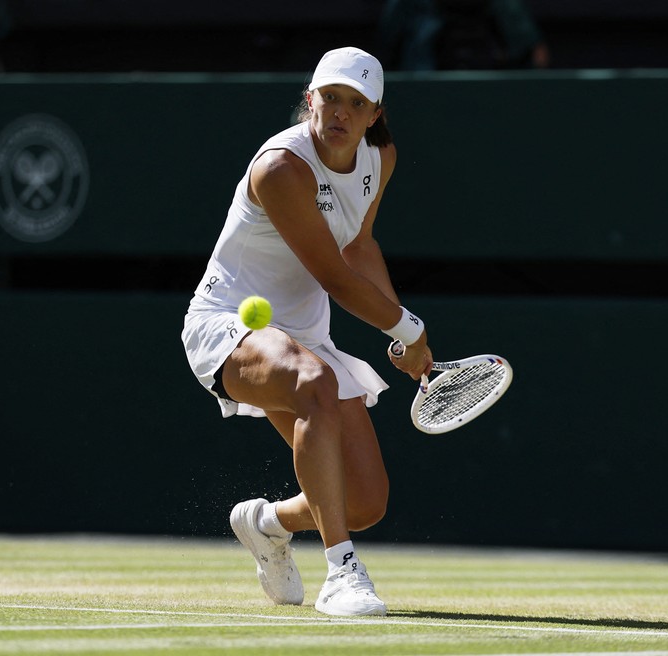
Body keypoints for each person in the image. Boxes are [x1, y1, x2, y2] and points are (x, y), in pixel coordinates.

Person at [181, 46, 433, 617]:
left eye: (356, 103)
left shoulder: (380, 158)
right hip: (227, 326)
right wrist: (410, 328)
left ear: (374, 114)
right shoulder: (281, 168)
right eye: (331, 98)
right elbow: (334, 277)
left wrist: (405, 340)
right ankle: (342, 573)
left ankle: (265, 523)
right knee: (313, 380)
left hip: (305, 339)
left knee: (365, 501)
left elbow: (358, 247)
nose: (340, 113)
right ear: (310, 99)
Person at [378, 0, 549, 70]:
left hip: (494, 89)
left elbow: (537, 54)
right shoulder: (410, 6)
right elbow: (387, 46)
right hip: (426, 86)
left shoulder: (506, 7)